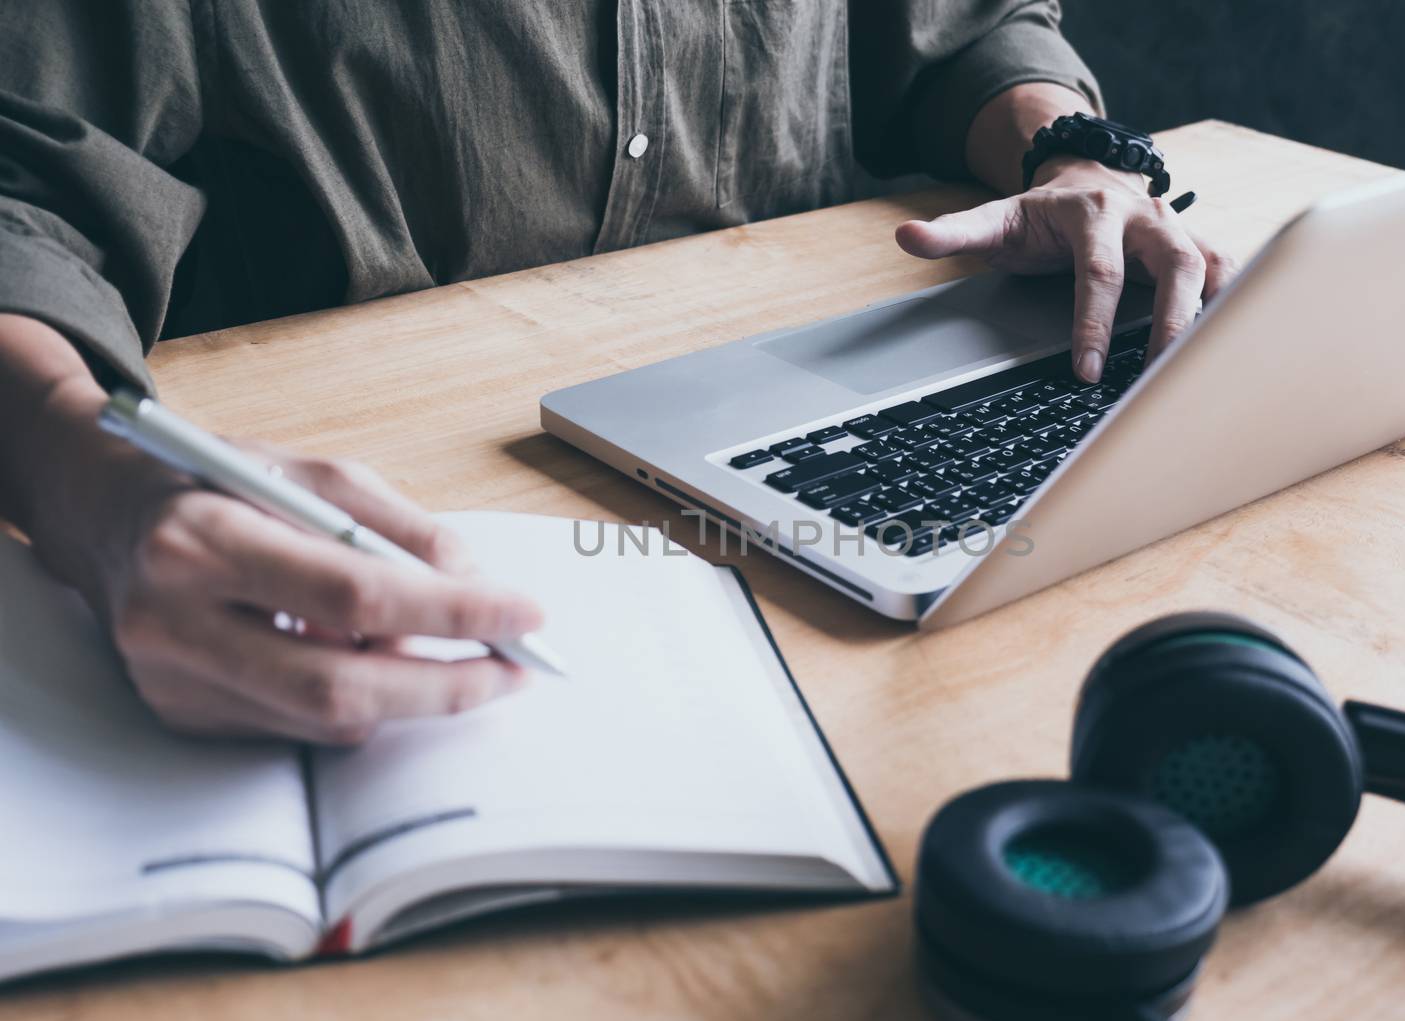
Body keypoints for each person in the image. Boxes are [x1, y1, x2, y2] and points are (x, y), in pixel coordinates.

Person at [0, 2, 1235, 744]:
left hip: (862, 418)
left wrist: (1069, 155)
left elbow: (962, 33)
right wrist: (76, 468)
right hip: (388, 536)